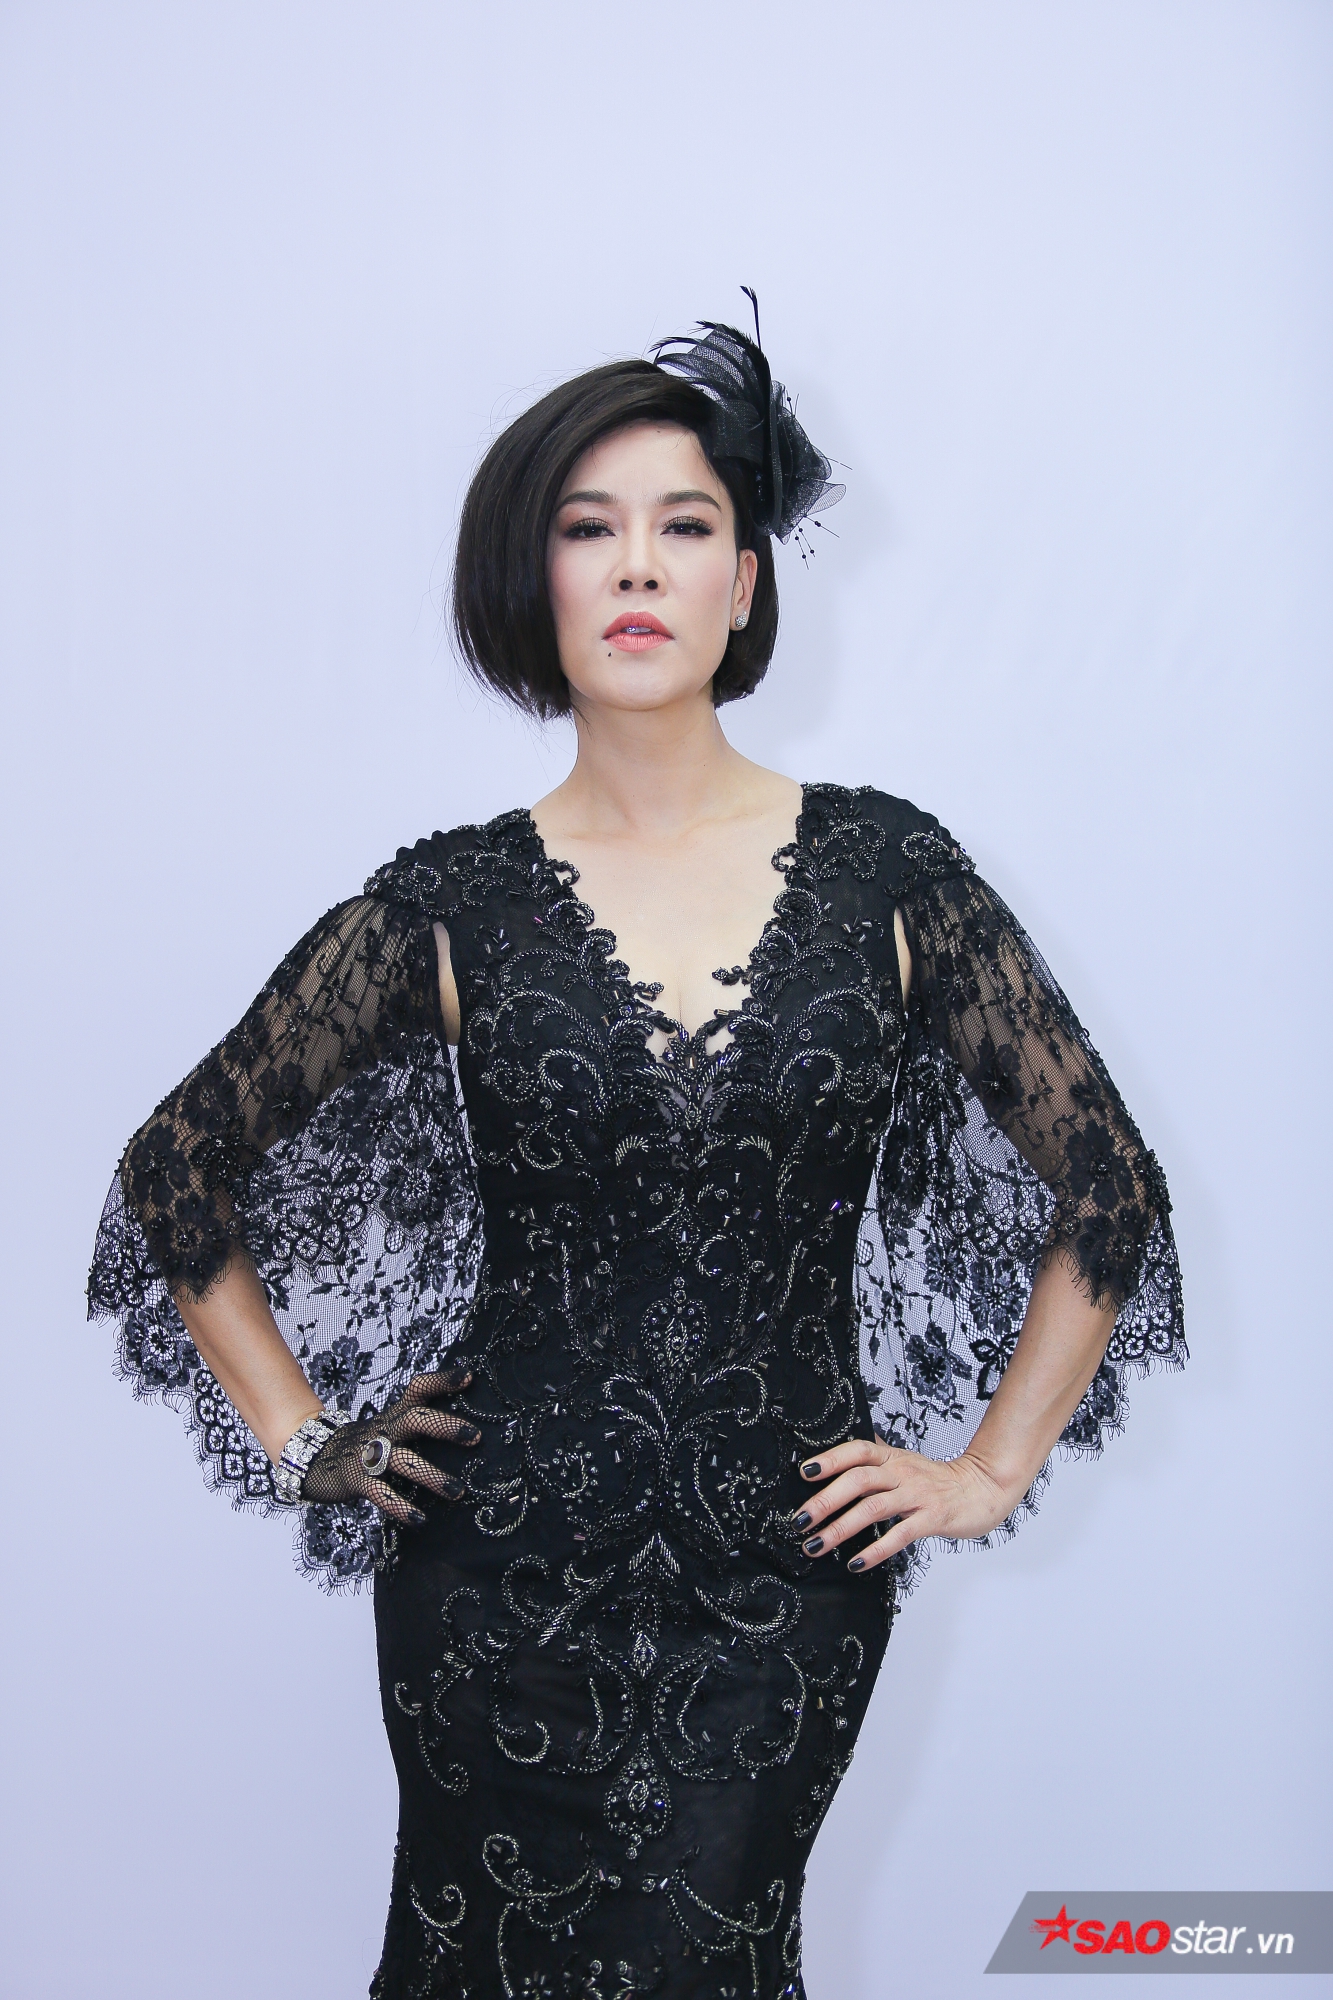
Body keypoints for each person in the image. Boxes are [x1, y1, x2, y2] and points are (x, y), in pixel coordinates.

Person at [89, 307, 1185, 2000]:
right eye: (587, 528)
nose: (635, 565)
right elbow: (175, 1168)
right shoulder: (448, 904)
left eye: (683, 526)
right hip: (489, 1579)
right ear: (533, 581)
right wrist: (306, 1439)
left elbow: (1108, 1183)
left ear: (743, 581)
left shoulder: (892, 877)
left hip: (781, 1586)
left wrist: (984, 1470)